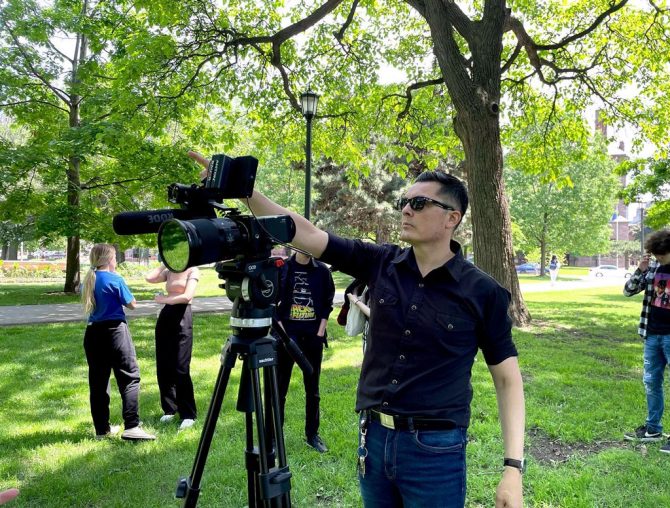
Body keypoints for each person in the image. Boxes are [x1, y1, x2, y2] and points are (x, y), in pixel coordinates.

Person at [189, 151, 525, 507]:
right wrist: (245, 192)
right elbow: (305, 232)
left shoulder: (483, 293)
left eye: (419, 203)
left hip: (436, 451)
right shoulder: (380, 262)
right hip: (374, 440)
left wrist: (513, 468)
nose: (406, 209)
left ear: (451, 218)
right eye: (404, 202)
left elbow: (507, 379)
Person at [81, 244, 155, 441]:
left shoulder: (88, 280)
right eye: (114, 258)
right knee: (129, 377)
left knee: (98, 382)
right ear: (109, 259)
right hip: (115, 332)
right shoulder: (115, 278)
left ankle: (101, 430)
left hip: (93, 334)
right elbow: (132, 305)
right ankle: (132, 426)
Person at [275, 250, 335, 453]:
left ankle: (312, 435)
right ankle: (274, 439)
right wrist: (284, 336)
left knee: (313, 390)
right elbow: (273, 304)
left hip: (312, 339)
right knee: (279, 390)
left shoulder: (322, 272)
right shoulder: (283, 268)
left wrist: (319, 334)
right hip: (286, 339)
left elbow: (327, 304)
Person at [623, 229, 670, 453]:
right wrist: (640, 271)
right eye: (656, 254)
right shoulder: (652, 268)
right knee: (651, 382)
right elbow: (628, 291)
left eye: (662, 254)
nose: (658, 257)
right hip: (652, 334)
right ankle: (653, 429)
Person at [145, 262, 200, 430]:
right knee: (164, 364)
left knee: (181, 367)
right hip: (166, 316)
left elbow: (187, 296)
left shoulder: (193, 270)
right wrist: (163, 264)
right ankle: (170, 409)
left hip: (182, 315)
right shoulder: (169, 271)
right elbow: (149, 278)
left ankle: (188, 414)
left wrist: (164, 299)